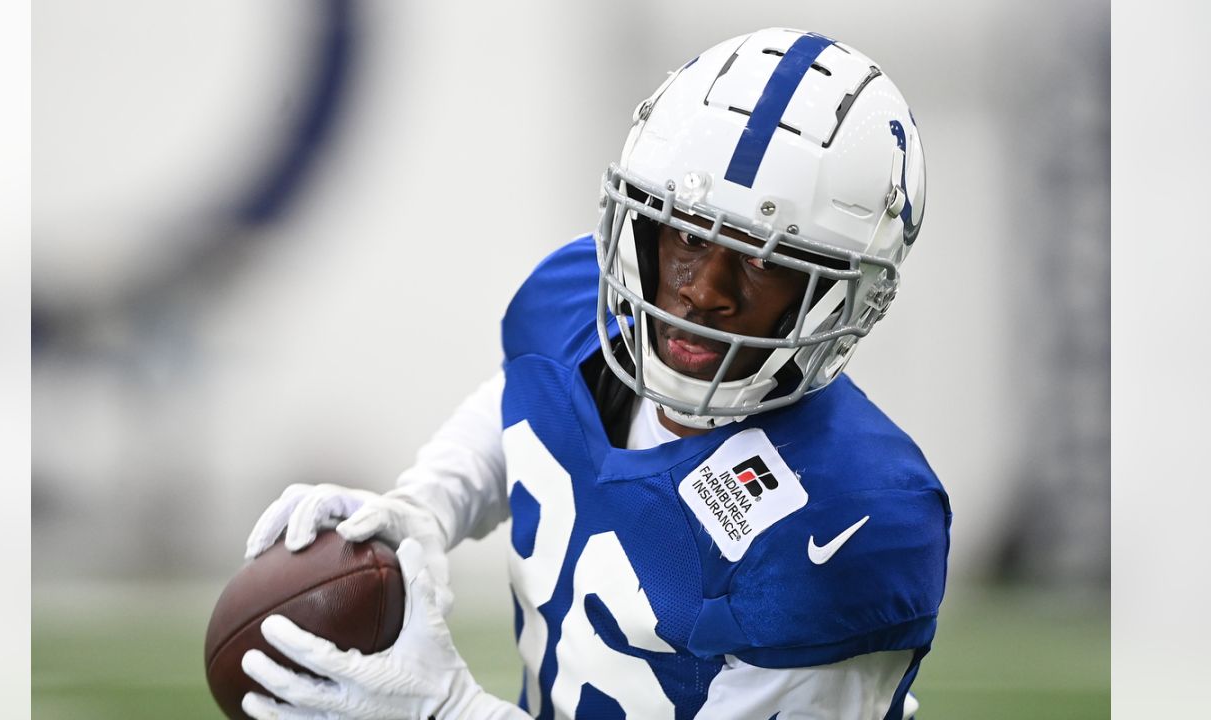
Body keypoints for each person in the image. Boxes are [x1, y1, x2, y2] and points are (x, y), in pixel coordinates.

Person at [237, 27, 949, 720]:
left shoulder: (852, 517)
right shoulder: (577, 312)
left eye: (764, 260)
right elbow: (529, 405)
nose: (704, 289)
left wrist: (446, 709)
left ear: (844, 296)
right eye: (687, 231)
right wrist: (422, 508)